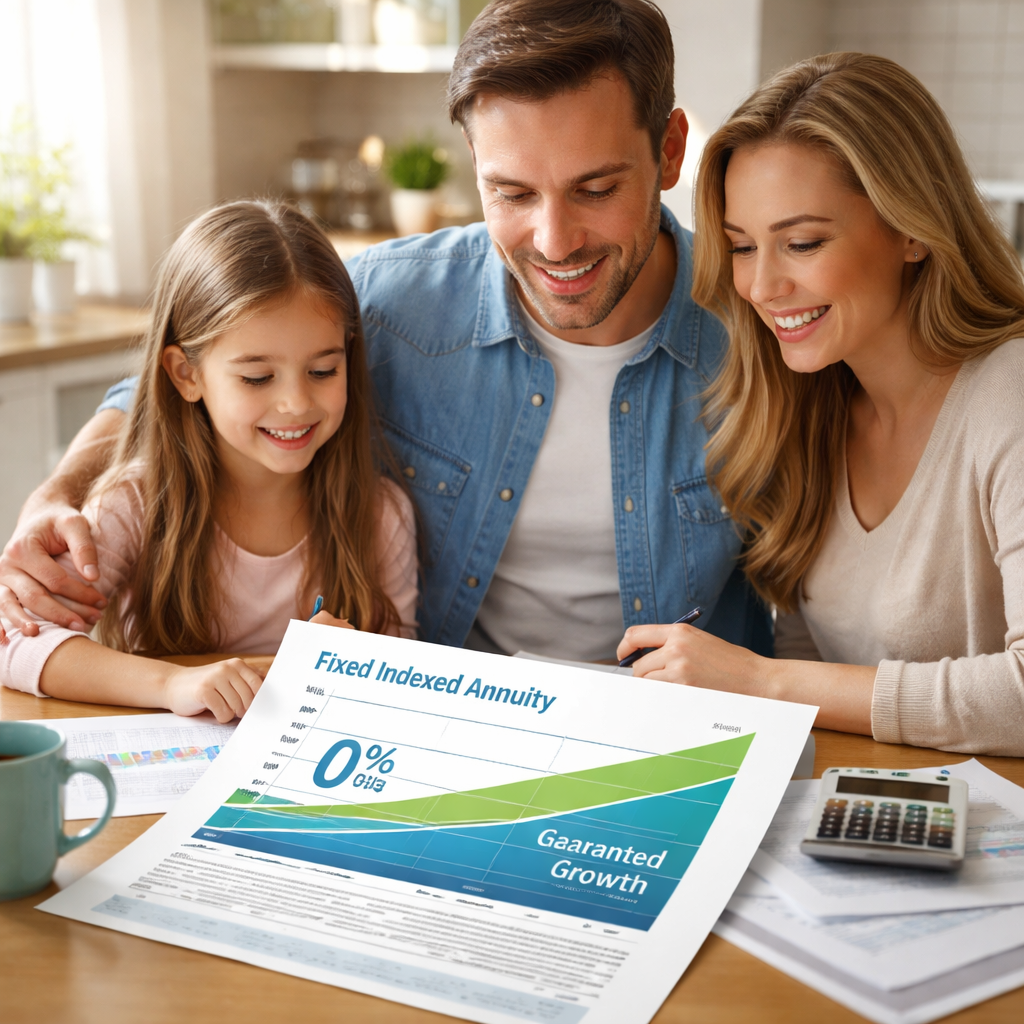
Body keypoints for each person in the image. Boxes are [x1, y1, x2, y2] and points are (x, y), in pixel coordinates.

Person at [0, 0, 770, 663]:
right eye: (510, 192)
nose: (553, 239)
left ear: (669, 151)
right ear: (472, 163)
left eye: (595, 189)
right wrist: (57, 495)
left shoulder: (760, 327)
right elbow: (164, 389)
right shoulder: (394, 301)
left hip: (678, 740)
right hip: (446, 733)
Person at [616, 52, 1024, 756]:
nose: (763, 286)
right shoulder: (811, 408)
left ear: (913, 230)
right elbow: (826, 690)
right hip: (878, 830)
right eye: (743, 247)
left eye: (802, 242)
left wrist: (762, 680)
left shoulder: (1008, 391)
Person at [0, 201, 417, 721]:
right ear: (185, 375)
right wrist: (174, 683)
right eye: (257, 377)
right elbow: (14, 643)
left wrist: (359, 664)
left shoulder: (381, 513)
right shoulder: (136, 503)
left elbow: (408, 679)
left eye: (323, 370)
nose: (295, 403)